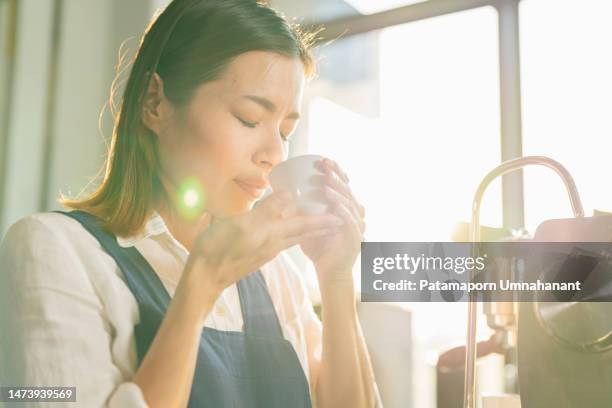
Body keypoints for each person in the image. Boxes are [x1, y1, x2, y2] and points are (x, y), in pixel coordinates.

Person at [0, 0, 381, 407]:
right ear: (155, 104)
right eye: (249, 119)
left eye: (286, 131)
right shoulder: (54, 251)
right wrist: (199, 283)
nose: (274, 154)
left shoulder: (277, 277)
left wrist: (336, 277)